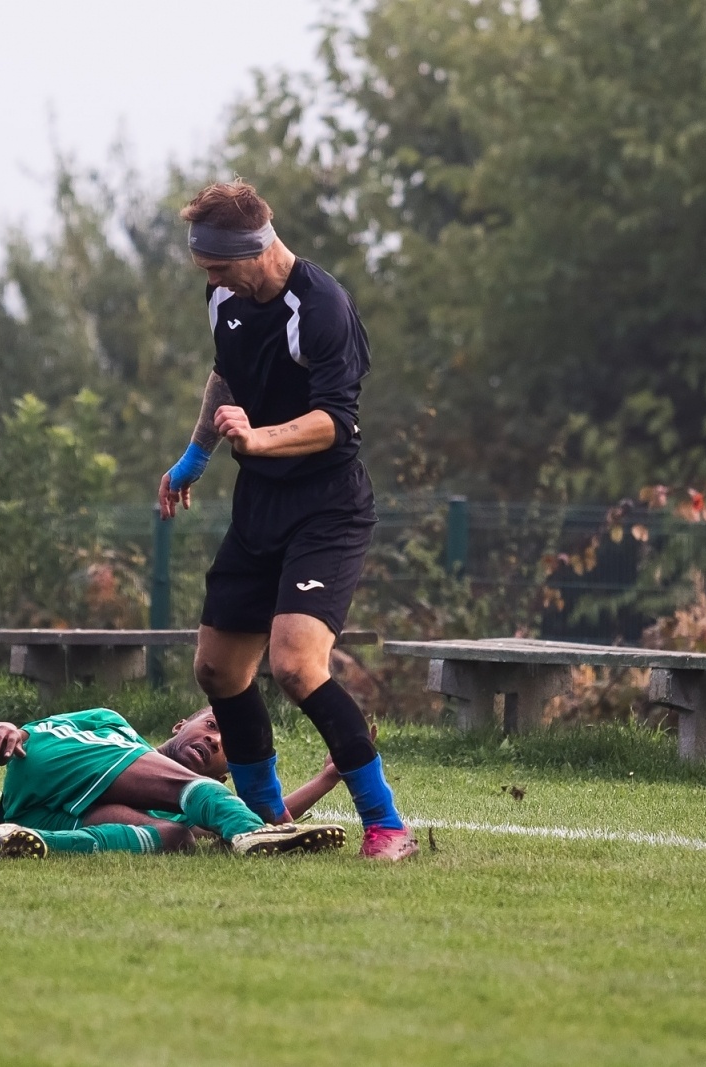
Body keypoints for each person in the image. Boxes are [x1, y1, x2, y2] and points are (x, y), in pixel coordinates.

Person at [157, 180, 416, 861]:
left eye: (219, 266)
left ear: (256, 249)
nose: (211, 280)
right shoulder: (225, 296)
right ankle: (265, 818)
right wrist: (194, 457)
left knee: (297, 665)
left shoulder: (323, 307)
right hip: (259, 505)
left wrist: (257, 438)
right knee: (218, 671)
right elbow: (226, 374)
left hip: (326, 506)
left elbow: (337, 422)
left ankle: (387, 824)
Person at [0, 707, 346, 859]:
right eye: (211, 725)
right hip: (52, 762)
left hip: (32, 813)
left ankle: (25, 840)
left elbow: (270, 817)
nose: (215, 740)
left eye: (226, 748)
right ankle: (247, 832)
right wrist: (8, 730)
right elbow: (33, 731)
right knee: (192, 796)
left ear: (222, 775)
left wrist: (328, 777)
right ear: (180, 725)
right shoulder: (114, 725)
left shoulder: (187, 807)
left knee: (176, 836)